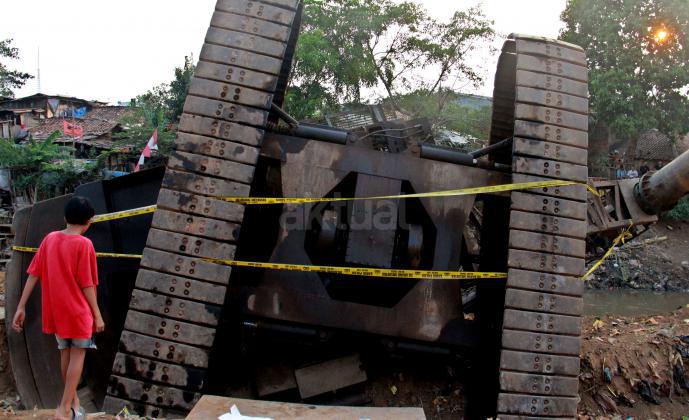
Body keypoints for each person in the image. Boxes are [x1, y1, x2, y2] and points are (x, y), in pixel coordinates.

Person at [11, 197, 104, 420]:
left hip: (56, 312)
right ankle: (63, 409)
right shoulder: (84, 244)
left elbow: (33, 273)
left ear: (65, 217)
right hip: (78, 312)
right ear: (89, 221)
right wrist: (97, 314)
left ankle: (73, 405)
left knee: (65, 353)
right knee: (78, 355)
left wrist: (21, 307)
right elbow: (87, 283)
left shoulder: (49, 239)